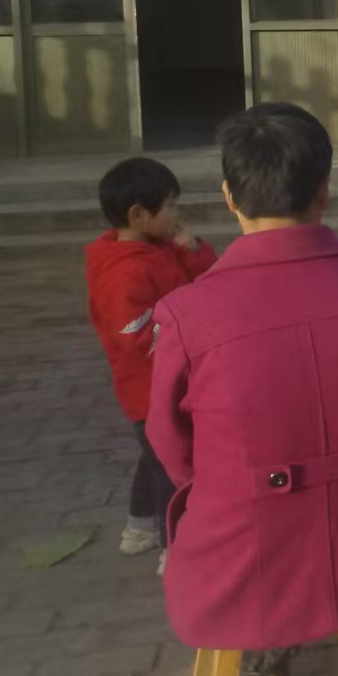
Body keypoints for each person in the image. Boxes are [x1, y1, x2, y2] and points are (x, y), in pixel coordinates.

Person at [147, 104, 338, 676]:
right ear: (324, 191)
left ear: (229, 196)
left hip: (242, 560)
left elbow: (171, 446)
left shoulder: (188, 313)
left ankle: (261, 664)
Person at [84, 157, 217, 562]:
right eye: (171, 206)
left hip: (168, 383)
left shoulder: (161, 249)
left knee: (153, 458)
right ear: (139, 215)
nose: (177, 214)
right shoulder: (124, 272)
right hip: (150, 390)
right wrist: (188, 335)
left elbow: (207, 284)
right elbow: (137, 337)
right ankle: (173, 549)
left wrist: (193, 251)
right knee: (171, 472)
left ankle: (139, 526)